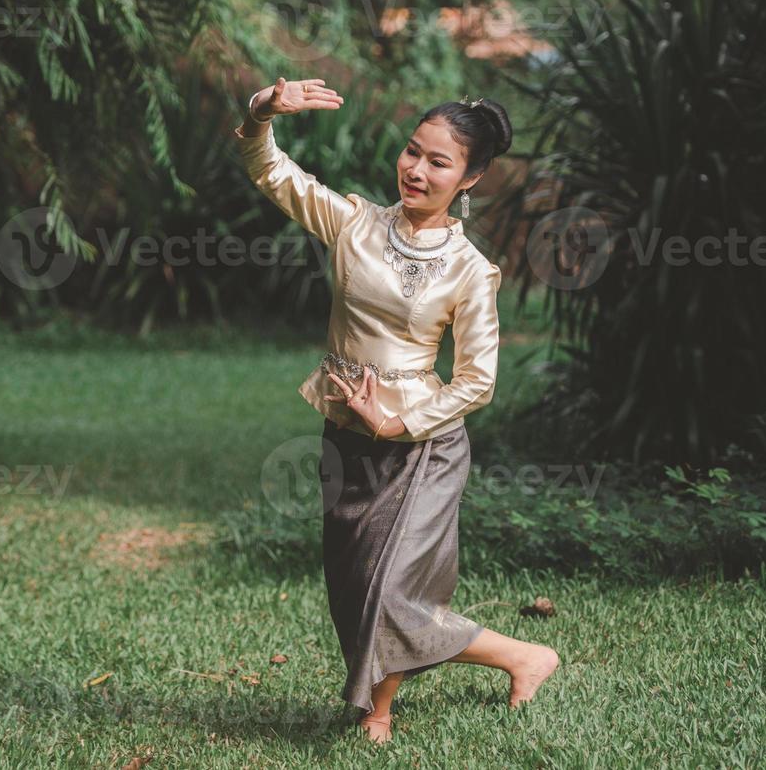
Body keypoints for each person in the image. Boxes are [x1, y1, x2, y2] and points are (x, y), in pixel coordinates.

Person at [230, 77, 560, 744]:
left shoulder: (470, 270)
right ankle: (519, 655)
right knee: (355, 590)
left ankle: (381, 711)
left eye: (439, 162)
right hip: (346, 435)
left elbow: (477, 381)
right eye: (414, 151)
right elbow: (270, 171)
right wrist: (264, 110)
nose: (417, 169)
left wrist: (399, 422)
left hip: (423, 446)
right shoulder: (355, 223)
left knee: (393, 591)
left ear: (471, 178)